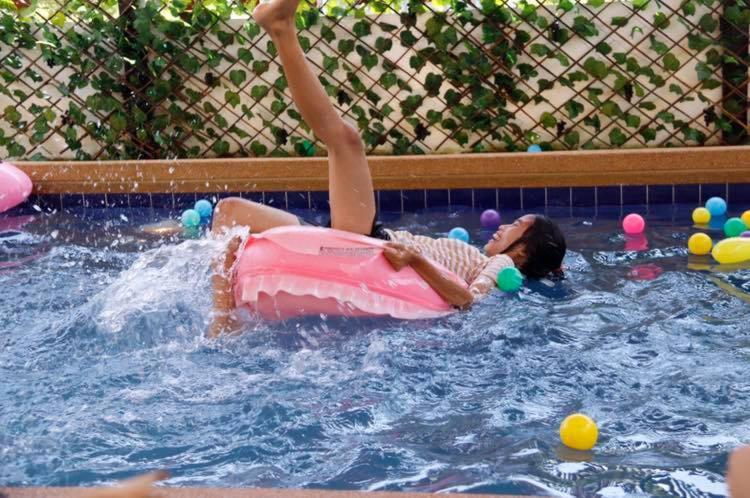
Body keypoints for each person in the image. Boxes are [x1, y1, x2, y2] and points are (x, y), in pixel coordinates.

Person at [208, 0, 566, 337]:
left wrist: (416, 260)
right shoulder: (479, 255)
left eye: (516, 226)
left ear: (520, 251)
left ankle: (282, 29)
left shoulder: (502, 266)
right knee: (230, 212)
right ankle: (222, 321)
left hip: (371, 245)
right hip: (359, 244)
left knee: (345, 141)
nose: (504, 226)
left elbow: (469, 301)